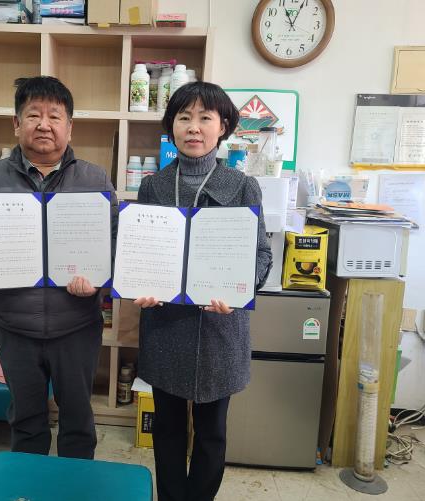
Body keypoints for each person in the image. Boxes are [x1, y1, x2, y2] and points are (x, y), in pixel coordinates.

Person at [0, 76, 118, 459]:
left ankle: (74, 485)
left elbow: (115, 241)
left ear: (69, 127)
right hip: (14, 327)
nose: (44, 124)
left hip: (76, 326)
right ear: (16, 123)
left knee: (78, 420)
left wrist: (98, 279)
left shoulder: (94, 179)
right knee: (26, 421)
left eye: (54, 116)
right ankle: (28, 485)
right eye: (33, 115)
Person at [135, 81, 273, 501]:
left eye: (204, 118)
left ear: (223, 126)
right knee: (167, 428)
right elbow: (141, 250)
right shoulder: (153, 186)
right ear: (171, 127)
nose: (193, 127)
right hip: (166, 327)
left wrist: (242, 289)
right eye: (184, 118)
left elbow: (262, 255)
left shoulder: (243, 186)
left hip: (220, 328)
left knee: (212, 433)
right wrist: (141, 284)